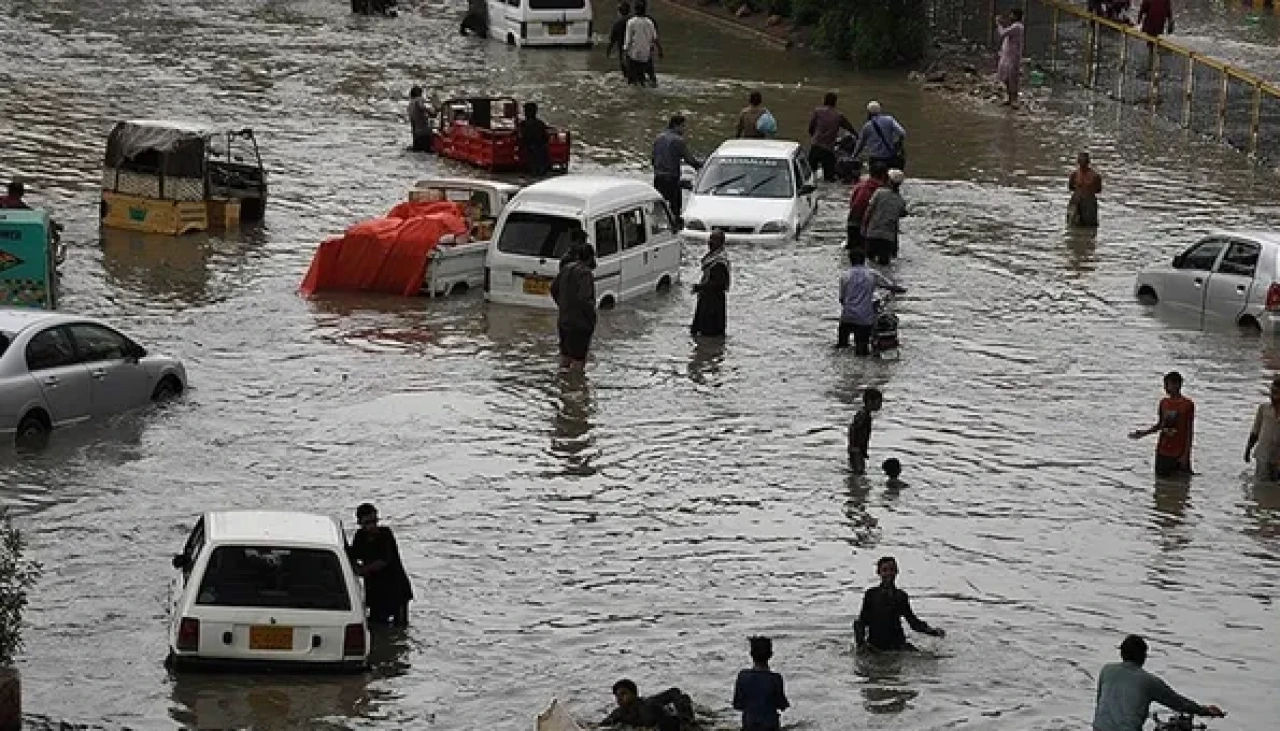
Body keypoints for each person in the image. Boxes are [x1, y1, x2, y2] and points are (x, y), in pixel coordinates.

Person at [1092, 635, 1225, 731]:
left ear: (1121, 653)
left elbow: (1099, 703)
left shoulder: (1106, 670)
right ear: (1143, 657)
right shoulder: (1148, 681)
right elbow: (1178, 702)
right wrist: (1205, 711)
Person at [854, 556, 945, 652]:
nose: (889, 573)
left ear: (897, 572)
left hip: (897, 644)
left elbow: (913, 622)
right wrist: (861, 645)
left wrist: (932, 631)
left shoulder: (901, 596)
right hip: (875, 645)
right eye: (885, 570)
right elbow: (861, 622)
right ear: (878, 572)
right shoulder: (871, 594)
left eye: (892, 570)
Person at [347, 503, 413, 626]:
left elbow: (383, 561)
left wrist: (361, 570)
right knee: (377, 625)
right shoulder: (360, 536)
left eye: (374, 521)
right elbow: (352, 554)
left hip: (396, 590)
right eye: (367, 523)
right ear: (360, 523)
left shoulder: (386, 534)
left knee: (400, 627)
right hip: (375, 592)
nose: (372, 526)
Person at [838, 248, 905, 357]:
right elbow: (890, 286)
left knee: (841, 349)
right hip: (864, 319)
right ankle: (860, 370)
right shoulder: (872, 274)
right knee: (861, 352)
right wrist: (900, 290)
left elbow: (841, 299)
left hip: (847, 317)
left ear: (850, 260)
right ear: (864, 260)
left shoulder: (845, 276)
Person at [1129, 371, 1194, 477]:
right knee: (1161, 484)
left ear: (1177, 385)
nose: (1165, 388)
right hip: (1162, 450)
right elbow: (1160, 425)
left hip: (1179, 452)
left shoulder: (1187, 405)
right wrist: (1144, 433)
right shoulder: (1164, 403)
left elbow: (1189, 431)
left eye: (1167, 385)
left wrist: (1186, 455)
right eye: (1164, 385)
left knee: (1181, 483)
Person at [550, 240, 597, 371]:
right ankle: (576, 387)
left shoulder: (566, 268)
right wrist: (591, 318)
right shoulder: (586, 273)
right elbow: (585, 299)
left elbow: (553, 289)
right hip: (580, 324)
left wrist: (563, 306)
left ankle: (562, 385)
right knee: (578, 360)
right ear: (590, 258)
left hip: (564, 321)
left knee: (565, 357)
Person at [652, 115, 703, 227]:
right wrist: (702, 166)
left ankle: (656, 226)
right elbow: (690, 160)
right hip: (671, 179)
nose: (685, 129)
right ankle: (675, 228)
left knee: (659, 207)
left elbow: (653, 158)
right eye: (684, 126)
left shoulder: (658, 138)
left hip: (658, 177)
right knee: (675, 208)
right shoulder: (678, 141)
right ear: (676, 126)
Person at [732, 636, 789, 731]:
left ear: (751, 654)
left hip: (749, 726)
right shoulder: (775, 678)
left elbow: (737, 705)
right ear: (771, 655)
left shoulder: (743, 676)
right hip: (770, 727)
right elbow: (782, 705)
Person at [601, 679, 694, 731]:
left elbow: (674, 692)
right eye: (617, 696)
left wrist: (686, 720)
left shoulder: (648, 705)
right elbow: (601, 726)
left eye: (623, 694)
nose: (619, 699)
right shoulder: (619, 713)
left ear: (634, 694)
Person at [862, 169, 908, 265]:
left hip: (873, 233)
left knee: (869, 262)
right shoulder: (901, 201)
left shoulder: (879, 193)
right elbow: (900, 216)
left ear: (889, 181)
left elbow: (869, 211)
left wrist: (864, 227)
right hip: (888, 238)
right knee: (884, 265)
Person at [807, 92, 857, 182]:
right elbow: (849, 127)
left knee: (810, 174)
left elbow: (811, 128)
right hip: (828, 150)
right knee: (829, 178)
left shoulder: (818, 111)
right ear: (835, 102)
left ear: (824, 101)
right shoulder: (838, 115)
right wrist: (857, 136)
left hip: (816, 146)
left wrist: (814, 137)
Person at [691, 230, 730, 338]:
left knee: (709, 334)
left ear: (721, 242)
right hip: (707, 299)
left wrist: (700, 287)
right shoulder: (712, 257)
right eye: (710, 239)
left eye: (714, 239)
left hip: (713, 304)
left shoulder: (720, 262)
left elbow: (719, 284)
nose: (710, 242)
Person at [851, 101, 907, 171]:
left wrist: (853, 156)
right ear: (880, 111)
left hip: (875, 159)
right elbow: (902, 133)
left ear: (868, 113)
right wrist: (897, 144)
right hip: (889, 157)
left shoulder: (867, 126)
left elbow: (860, 144)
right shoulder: (889, 120)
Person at [1244, 375, 1280, 481]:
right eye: (1272, 392)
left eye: (1277, 393)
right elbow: (1255, 431)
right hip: (1263, 455)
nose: (1273, 396)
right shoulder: (1264, 409)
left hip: (1278, 458)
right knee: (1261, 485)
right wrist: (1248, 449)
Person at [846, 162, 887, 251]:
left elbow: (852, 203)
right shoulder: (883, 191)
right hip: (870, 227)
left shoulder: (859, 185)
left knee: (853, 254)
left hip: (852, 222)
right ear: (884, 176)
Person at [624, 1, 662, 87]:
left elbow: (628, 41)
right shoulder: (649, 22)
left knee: (632, 80)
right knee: (651, 77)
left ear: (635, 10)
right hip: (646, 55)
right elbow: (655, 38)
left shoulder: (631, 22)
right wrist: (660, 50)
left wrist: (625, 52)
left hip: (634, 54)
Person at [848, 387, 884, 475]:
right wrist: (856, 449)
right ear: (870, 401)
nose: (880, 405)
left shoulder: (864, 414)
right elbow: (853, 430)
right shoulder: (863, 415)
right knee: (859, 473)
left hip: (858, 449)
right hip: (857, 450)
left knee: (858, 472)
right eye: (878, 402)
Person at [996, 9, 1025, 107]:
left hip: (1013, 57)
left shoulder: (1017, 26)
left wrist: (999, 24)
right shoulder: (1014, 26)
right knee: (1006, 78)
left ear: (1016, 16)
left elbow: (1002, 34)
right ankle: (1009, 98)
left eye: (1012, 15)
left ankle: (1014, 100)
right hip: (1008, 56)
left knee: (1012, 78)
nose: (1010, 16)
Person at [1068, 152, 1103, 227]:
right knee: (1072, 224)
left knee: (1090, 226)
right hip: (1076, 200)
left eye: (1083, 160)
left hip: (1089, 202)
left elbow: (1099, 190)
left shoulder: (1095, 176)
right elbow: (1071, 187)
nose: (1082, 163)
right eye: (1080, 160)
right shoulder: (1074, 174)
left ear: (1088, 162)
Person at [519, 102, 551, 177]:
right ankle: (540, 170)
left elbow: (523, 138)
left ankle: (534, 170)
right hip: (541, 148)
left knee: (532, 155)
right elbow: (545, 137)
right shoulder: (540, 123)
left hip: (530, 148)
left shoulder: (523, 124)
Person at [605, 3, 633, 82]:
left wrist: (608, 52)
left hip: (624, 54)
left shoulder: (617, 24)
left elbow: (612, 41)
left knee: (628, 77)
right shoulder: (635, 21)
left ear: (619, 12)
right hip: (638, 53)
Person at [407, 87, 434, 153]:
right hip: (425, 135)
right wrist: (430, 111)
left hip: (417, 137)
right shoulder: (418, 100)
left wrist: (414, 141)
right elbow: (421, 105)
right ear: (420, 94)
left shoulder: (410, 106)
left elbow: (413, 126)